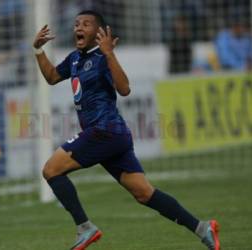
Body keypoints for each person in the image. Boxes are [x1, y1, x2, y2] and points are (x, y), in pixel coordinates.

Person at [33, 10, 220, 250]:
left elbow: (124, 89)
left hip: (105, 131)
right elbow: (51, 76)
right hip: (112, 136)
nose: (79, 27)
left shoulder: (102, 57)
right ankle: (203, 229)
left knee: (51, 170)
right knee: (144, 193)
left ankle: (84, 227)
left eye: (86, 24)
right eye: (77, 24)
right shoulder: (74, 59)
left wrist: (110, 54)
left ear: (98, 32)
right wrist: (38, 50)